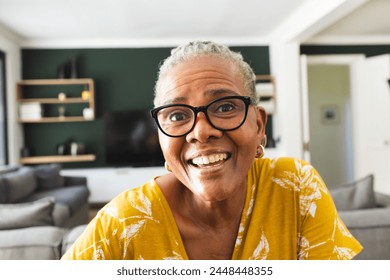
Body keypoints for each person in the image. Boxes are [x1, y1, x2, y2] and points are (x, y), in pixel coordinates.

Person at [62, 41, 362, 260]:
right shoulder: (121, 222)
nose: (202, 131)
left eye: (226, 106)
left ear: (258, 125)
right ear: (162, 139)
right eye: (177, 115)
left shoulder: (296, 187)